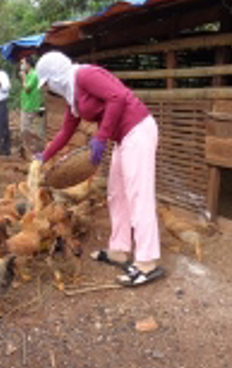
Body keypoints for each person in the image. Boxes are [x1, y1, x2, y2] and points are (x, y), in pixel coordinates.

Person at [35, 51, 164, 287]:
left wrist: (102, 136)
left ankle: (147, 262)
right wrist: (45, 155)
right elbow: (66, 132)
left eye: (48, 83)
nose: (50, 88)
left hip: (138, 130)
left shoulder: (85, 75)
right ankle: (119, 249)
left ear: (56, 77)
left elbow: (118, 97)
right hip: (123, 137)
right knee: (116, 193)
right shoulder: (73, 98)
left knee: (138, 195)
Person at [19, 56, 42, 136]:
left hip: (30, 106)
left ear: (28, 64)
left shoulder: (33, 75)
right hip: (26, 105)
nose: (21, 65)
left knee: (26, 130)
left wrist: (23, 78)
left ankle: (29, 146)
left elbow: (27, 89)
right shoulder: (28, 74)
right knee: (25, 129)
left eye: (22, 63)